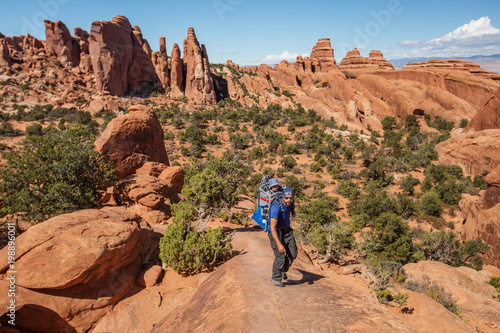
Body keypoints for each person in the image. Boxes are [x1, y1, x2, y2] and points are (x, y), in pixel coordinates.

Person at [268, 186, 298, 287]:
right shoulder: (276, 207)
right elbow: (272, 227)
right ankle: (276, 279)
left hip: (287, 230)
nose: (289, 200)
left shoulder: (291, 204)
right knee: (280, 256)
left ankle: (282, 270)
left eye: (291, 198)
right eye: (286, 198)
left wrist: (293, 212)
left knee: (293, 253)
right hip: (276, 232)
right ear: (283, 197)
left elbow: (292, 210)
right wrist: (279, 244)